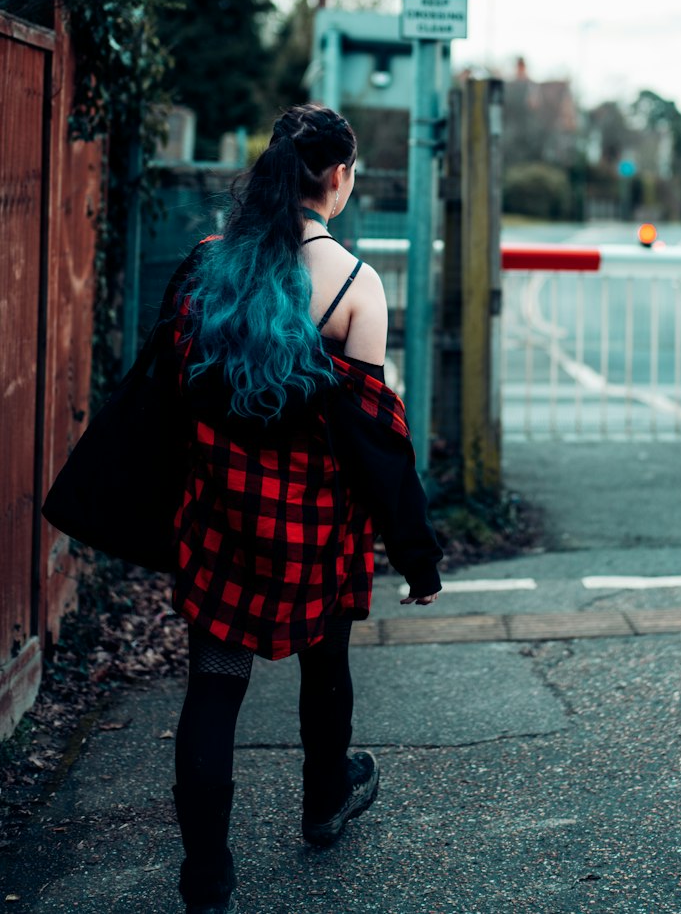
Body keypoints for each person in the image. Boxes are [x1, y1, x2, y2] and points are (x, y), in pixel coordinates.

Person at [157, 103, 442, 914]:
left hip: (221, 511)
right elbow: (375, 438)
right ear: (341, 176)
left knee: (214, 684)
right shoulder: (356, 284)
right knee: (327, 662)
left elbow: (169, 392)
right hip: (315, 521)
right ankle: (324, 802)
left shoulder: (212, 264)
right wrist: (416, 556)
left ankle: (207, 875)